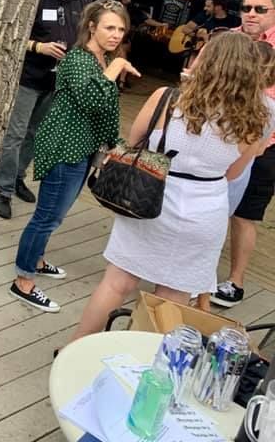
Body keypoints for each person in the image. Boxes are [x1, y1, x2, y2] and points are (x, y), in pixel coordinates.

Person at [71, 32, 269, 340]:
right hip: (205, 210)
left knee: (117, 283)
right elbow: (233, 174)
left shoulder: (167, 98)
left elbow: (135, 141)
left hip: (150, 196)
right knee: (171, 300)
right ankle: (140, 358)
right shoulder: (255, 122)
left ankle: (76, 348)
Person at [9, 0, 138, 312]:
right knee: (46, 217)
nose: (116, 34)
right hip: (64, 148)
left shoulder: (102, 59)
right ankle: (23, 281)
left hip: (82, 149)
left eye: (121, 29)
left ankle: (36, 261)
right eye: (109, 27)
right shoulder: (78, 60)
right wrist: (118, 67)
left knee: (56, 213)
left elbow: (106, 109)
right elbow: (93, 99)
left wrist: (115, 144)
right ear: (92, 27)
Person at [0, 0, 91, 219]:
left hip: (57, 81)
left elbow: (86, 37)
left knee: (35, 133)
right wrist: (39, 47)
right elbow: (10, 36)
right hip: (29, 77)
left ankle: (18, 177)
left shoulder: (83, 0)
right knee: (15, 134)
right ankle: (2, 190)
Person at [213, 0, 275, 307]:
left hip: (264, 146)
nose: (251, 14)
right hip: (216, 136)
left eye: (260, 9)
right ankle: (195, 271)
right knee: (205, 203)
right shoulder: (226, 40)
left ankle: (235, 282)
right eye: (246, 7)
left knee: (243, 214)